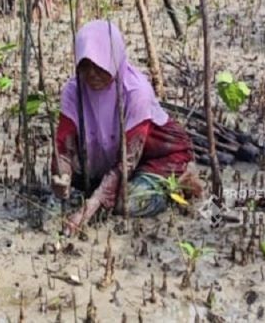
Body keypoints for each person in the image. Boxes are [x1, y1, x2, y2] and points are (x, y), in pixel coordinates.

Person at [51, 19, 201, 235]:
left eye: (99, 65)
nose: (92, 73)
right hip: (110, 157)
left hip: (157, 157)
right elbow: (63, 146)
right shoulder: (73, 91)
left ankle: (179, 183)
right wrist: (61, 176)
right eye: (85, 65)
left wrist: (89, 208)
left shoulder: (135, 92)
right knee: (81, 183)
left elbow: (127, 160)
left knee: (127, 203)